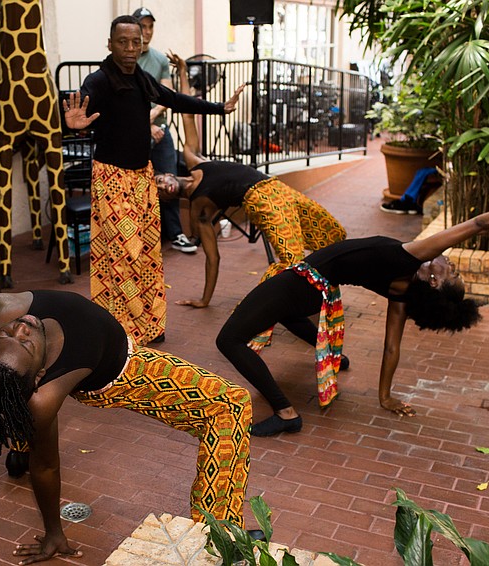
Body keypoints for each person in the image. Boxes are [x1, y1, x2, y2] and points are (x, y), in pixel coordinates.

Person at [0, 231, 252, 564]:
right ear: (38, 376)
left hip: (97, 331)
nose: (22, 327)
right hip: (125, 370)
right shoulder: (44, 398)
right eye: (25, 342)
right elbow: (48, 467)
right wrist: (55, 532)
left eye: (8, 332)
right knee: (230, 404)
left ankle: (15, 439)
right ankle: (219, 534)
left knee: (18, 398)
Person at [216, 176, 489, 436]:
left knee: (229, 339)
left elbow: (477, 224)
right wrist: (385, 397)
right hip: (316, 291)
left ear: (435, 280)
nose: (448, 261)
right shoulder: (402, 293)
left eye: (449, 270)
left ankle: (285, 411)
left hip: (301, 282)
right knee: (287, 316)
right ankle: (335, 359)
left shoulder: (414, 258)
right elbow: (392, 347)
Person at [62, 15, 243, 346]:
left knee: (146, 253)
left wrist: (220, 108)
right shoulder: (99, 81)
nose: (130, 48)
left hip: (143, 178)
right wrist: (72, 124)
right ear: (110, 44)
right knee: (124, 255)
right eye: (123, 42)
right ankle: (124, 331)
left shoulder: (142, 79)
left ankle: (149, 323)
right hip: (113, 180)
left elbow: (175, 99)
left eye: (136, 42)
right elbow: (79, 104)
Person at [158, 53, 346, 311]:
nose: (161, 186)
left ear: (167, 173)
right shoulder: (199, 212)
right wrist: (204, 300)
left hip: (279, 187)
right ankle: (286, 312)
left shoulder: (194, 159)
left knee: (332, 234)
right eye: (160, 193)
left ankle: (323, 286)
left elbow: (187, 114)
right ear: (167, 199)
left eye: (158, 180)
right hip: (264, 203)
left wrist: (182, 72)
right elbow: (213, 258)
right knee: (290, 259)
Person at [132, 7, 195, 254]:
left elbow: (166, 96)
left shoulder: (158, 59)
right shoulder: (126, 57)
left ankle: (176, 233)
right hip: (136, 132)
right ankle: (141, 237)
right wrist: (145, 125)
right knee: (139, 183)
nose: (147, 32)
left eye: (150, 27)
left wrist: (153, 120)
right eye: (142, 26)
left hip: (160, 129)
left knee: (169, 179)